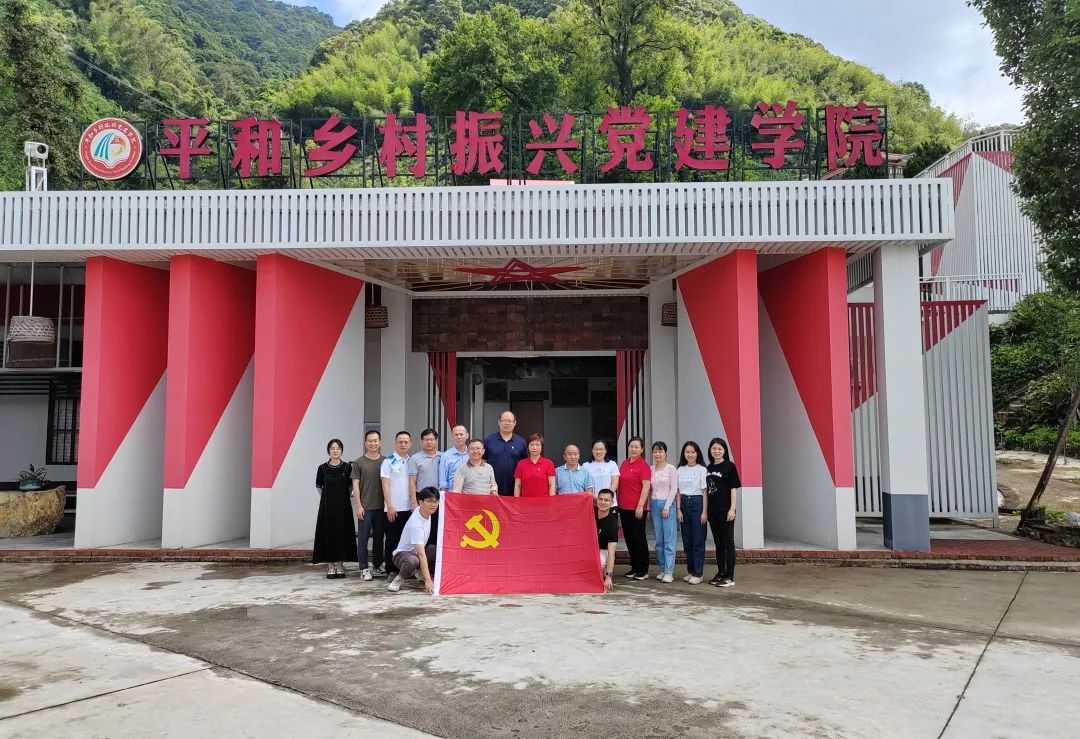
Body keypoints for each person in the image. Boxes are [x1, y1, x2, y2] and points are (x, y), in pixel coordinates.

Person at [313, 439, 357, 579]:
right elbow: (319, 486)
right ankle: (331, 565)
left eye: (338, 448)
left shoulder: (347, 468)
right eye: (332, 448)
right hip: (327, 508)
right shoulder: (322, 468)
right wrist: (328, 498)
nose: (335, 450)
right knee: (328, 534)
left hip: (343, 508)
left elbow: (351, 486)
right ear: (329, 451)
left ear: (342, 450)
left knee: (342, 535)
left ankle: (340, 564)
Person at [388, 487, 441, 594]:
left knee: (436, 550)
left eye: (436, 501)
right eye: (429, 501)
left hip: (415, 553)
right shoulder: (416, 524)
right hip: (401, 555)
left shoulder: (424, 511)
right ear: (420, 502)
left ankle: (419, 571)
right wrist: (428, 580)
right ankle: (399, 579)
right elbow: (421, 554)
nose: (433, 504)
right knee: (413, 560)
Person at [351, 430, 386, 579]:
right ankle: (364, 568)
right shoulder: (358, 462)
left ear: (380, 442)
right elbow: (355, 486)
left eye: (375, 440)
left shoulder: (386, 461)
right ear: (365, 443)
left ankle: (377, 565)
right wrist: (358, 506)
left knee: (379, 538)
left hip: (381, 507)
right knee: (363, 539)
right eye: (370, 441)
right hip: (365, 507)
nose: (373, 443)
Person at [706, 437, 741, 588]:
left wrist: (732, 508)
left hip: (725, 510)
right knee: (718, 543)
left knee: (728, 543)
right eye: (714, 448)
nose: (717, 451)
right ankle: (721, 572)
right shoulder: (708, 468)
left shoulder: (729, 466)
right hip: (712, 511)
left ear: (724, 450)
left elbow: (733, 488)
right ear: (710, 450)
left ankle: (729, 576)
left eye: (720, 449)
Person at [618, 436, 652, 580]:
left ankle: (643, 569)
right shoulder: (624, 463)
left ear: (642, 449)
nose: (633, 449)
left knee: (639, 538)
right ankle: (634, 567)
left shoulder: (643, 466)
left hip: (637, 508)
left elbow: (646, 487)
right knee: (629, 538)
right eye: (631, 446)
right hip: (623, 507)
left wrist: (640, 505)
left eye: (637, 447)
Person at [381, 431, 414, 577]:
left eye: (406, 442)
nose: (403, 444)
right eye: (400, 442)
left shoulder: (412, 461)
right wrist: (389, 506)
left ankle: (406, 569)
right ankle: (391, 570)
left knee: (407, 542)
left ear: (410, 444)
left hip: (409, 509)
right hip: (393, 509)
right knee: (392, 541)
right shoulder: (388, 461)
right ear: (395, 443)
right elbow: (385, 485)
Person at [676, 441, 708, 585]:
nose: (690, 455)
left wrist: (704, 512)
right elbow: (677, 492)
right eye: (687, 452)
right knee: (687, 540)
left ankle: (698, 573)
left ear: (697, 454)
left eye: (692, 452)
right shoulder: (680, 469)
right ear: (684, 454)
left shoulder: (702, 469)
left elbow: (704, 492)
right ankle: (691, 570)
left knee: (698, 540)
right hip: (684, 503)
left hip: (697, 503)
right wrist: (678, 509)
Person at [649, 441, 678, 583]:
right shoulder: (650, 469)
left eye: (660, 451)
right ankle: (662, 569)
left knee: (669, 540)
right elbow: (649, 489)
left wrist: (667, 506)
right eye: (655, 451)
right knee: (659, 540)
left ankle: (669, 572)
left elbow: (674, 489)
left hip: (668, 505)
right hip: (654, 504)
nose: (657, 454)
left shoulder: (671, 469)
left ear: (665, 453)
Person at [484, 410, 526, 495]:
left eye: (510, 421)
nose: (507, 423)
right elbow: (483, 461)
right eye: (504, 420)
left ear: (514, 423)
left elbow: (524, 464)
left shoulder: (521, 442)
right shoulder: (489, 440)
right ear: (499, 422)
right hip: (492, 488)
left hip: (515, 488)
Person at [408, 428, 442, 501]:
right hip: (422, 496)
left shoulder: (442, 456)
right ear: (421, 441)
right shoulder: (415, 458)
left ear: (436, 441)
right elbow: (412, 481)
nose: (429, 442)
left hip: (439, 496)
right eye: (426, 439)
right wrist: (413, 501)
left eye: (431, 439)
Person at [582, 438, 619, 503]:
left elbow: (615, 483)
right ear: (592, 450)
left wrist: (605, 498)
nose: (598, 452)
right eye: (596, 449)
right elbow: (584, 485)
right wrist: (596, 499)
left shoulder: (612, 464)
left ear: (605, 450)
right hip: (592, 503)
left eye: (601, 449)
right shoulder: (585, 466)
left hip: (609, 503)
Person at [596, 489, 618, 592]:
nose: (603, 502)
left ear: (612, 503)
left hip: (603, 550)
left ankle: (604, 570)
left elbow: (611, 552)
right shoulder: (590, 513)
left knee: (598, 563)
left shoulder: (612, 524)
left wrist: (609, 577)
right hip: (589, 548)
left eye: (606, 500)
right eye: (600, 499)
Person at [438, 424, 471, 495]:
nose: (459, 437)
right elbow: (443, 480)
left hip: (470, 494)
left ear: (467, 435)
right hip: (453, 494)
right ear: (452, 437)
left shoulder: (472, 453)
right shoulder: (446, 456)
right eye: (456, 435)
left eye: (461, 434)